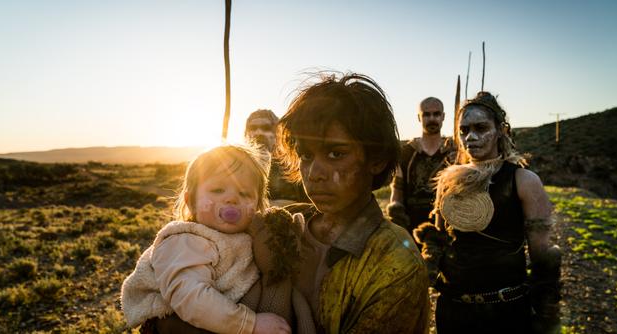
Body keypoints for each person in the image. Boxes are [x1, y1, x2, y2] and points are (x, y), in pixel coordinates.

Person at [276, 72, 430, 333]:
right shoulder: (281, 227)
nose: (314, 173)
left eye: (336, 153)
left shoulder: (396, 263)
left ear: (376, 159)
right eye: (306, 155)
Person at [121, 144, 311, 334]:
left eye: (244, 193)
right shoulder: (184, 241)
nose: (231, 199)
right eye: (218, 190)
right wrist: (250, 324)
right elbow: (191, 298)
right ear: (191, 202)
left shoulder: (246, 238)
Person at [414, 92, 561, 334]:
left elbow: (543, 258)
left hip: (507, 312)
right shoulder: (447, 182)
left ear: (501, 130)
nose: (470, 137)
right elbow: (439, 238)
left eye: (481, 128)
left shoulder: (523, 181)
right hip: (454, 311)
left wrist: (546, 316)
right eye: (464, 130)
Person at [388, 97, 455, 234]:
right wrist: (396, 211)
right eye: (426, 114)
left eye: (436, 114)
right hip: (412, 228)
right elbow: (397, 192)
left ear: (443, 117)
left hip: (447, 229)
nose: (432, 118)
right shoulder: (406, 153)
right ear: (419, 117)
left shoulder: (454, 153)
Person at [245, 109, 308, 206]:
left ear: (278, 134)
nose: (258, 132)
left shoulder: (292, 166)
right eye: (253, 128)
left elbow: (309, 206)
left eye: (266, 128)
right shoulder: (239, 166)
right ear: (246, 134)